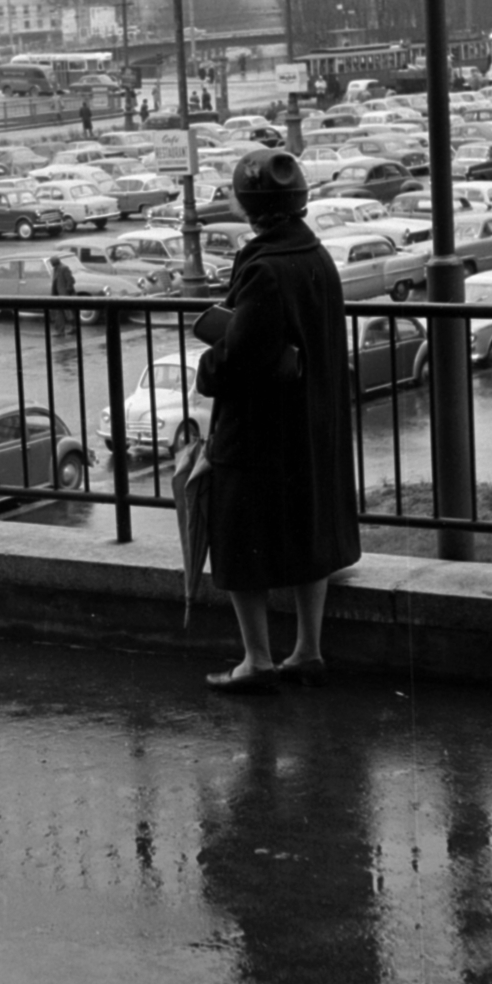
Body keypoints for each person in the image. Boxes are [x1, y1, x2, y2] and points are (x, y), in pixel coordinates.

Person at [196, 149, 360, 694]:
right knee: (309, 528)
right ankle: (307, 650)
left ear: (249, 205)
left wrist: (206, 366)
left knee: (240, 535)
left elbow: (244, 355)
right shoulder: (315, 254)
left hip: (261, 429)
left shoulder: (264, 267)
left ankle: (256, 660)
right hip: (312, 421)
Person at [50, 256, 76, 336]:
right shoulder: (55, 269)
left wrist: (68, 291)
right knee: (59, 313)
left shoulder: (64, 268)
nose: (52, 264)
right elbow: (55, 281)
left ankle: (74, 328)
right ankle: (60, 331)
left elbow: (70, 280)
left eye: (52, 263)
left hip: (65, 295)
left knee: (69, 313)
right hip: (58, 295)